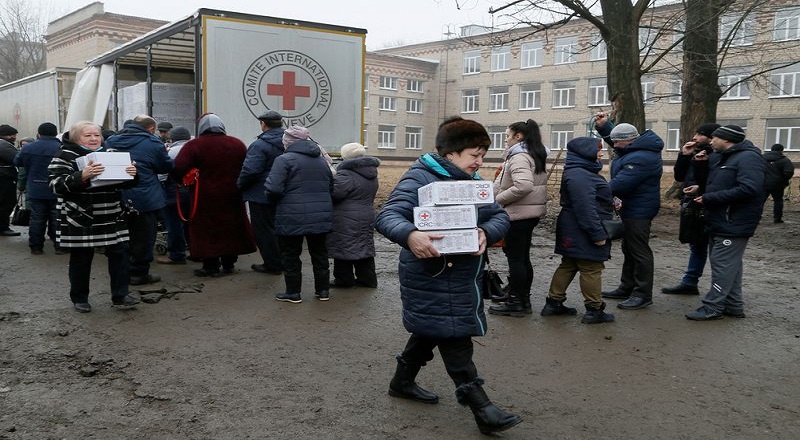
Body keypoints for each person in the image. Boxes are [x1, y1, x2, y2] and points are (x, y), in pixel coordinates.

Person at [375, 116, 520, 435]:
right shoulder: (420, 177)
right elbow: (388, 215)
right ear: (451, 154)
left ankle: (402, 382)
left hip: (463, 274)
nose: (480, 161)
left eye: (483, 153)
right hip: (431, 273)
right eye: (475, 154)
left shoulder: (473, 182)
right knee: (454, 335)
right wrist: (411, 235)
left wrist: (485, 231)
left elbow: (498, 216)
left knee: (431, 329)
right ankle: (482, 408)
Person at [47, 121, 141, 312]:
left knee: (120, 255)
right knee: (81, 258)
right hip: (81, 216)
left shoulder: (112, 154)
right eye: (87, 135)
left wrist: (132, 174)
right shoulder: (64, 155)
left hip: (112, 213)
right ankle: (79, 298)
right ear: (76, 137)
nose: (93, 139)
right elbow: (55, 186)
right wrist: (82, 176)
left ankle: (121, 296)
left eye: (96, 135)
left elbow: (126, 184)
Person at [685, 125, 767, 320]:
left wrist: (709, 198)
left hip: (733, 221)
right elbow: (716, 183)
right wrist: (701, 168)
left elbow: (749, 188)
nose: (711, 141)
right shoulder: (726, 157)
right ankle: (733, 305)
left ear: (727, 140)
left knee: (722, 265)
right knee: (731, 265)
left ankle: (712, 306)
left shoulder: (749, 158)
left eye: (715, 138)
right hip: (721, 219)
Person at [172, 113, 256, 277]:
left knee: (207, 229)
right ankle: (229, 263)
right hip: (233, 194)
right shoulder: (237, 144)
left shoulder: (195, 145)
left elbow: (178, 168)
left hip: (204, 196)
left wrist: (181, 180)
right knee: (231, 227)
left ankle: (210, 265)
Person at [594, 113, 663, 310]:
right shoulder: (635, 148)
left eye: (617, 143)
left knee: (639, 250)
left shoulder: (642, 158)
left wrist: (593, 189)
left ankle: (642, 294)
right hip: (631, 207)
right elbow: (616, 139)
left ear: (630, 141)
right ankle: (627, 286)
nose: (613, 146)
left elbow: (620, 184)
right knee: (629, 248)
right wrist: (605, 126)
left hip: (639, 210)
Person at [543, 137, 615, 324]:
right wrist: (597, 234)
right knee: (591, 267)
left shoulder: (579, 172)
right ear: (586, 152)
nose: (601, 152)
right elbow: (585, 207)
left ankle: (554, 302)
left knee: (569, 264)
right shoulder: (580, 175)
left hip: (573, 226)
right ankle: (594, 310)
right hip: (582, 228)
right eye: (598, 149)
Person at [265, 125, 333, 302]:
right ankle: (323, 291)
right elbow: (331, 186)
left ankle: (293, 293)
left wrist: (274, 202)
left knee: (290, 254)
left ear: (287, 142)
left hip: (291, 215)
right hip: (320, 215)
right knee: (319, 254)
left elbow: (273, 189)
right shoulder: (320, 160)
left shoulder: (284, 160)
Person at [488, 119, 548, 317]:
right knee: (521, 258)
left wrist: (499, 199)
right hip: (526, 213)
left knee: (516, 259)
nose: (505, 140)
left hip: (518, 214)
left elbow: (523, 186)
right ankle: (521, 298)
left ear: (518, 136)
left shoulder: (520, 156)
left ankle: (516, 302)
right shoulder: (532, 153)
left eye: (507, 135)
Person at [105, 115, 174, 286]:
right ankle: (138, 273)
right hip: (145, 196)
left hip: (117, 194)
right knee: (144, 236)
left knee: (121, 236)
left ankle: (122, 271)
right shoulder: (153, 143)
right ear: (151, 128)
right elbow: (165, 166)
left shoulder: (111, 141)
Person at [661, 123, 720, 295]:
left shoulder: (717, 155)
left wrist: (700, 189)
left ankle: (719, 288)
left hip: (709, 203)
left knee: (713, 248)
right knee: (697, 244)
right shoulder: (695, 153)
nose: (694, 137)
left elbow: (715, 181)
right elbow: (680, 176)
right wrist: (684, 155)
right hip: (692, 202)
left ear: (710, 137)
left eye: (700, 134)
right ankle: (690, 282)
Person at [237, 110, 285, 275]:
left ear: (263, 124)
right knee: (281, 229)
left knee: (264, 231)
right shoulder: (291, 142)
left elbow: (250, 170)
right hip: (285, 192)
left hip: (261, 194)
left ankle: (272, 264)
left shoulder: (260, 145)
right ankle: (283, 261)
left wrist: (240, 185)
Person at [327, 142, 380, 289]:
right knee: (364, 246)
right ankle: (368, 279)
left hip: (346, 217)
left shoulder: (346, 174)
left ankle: (344, 280)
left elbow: (335, 194)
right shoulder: (370, 172)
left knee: (344, 247)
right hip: (366, 214)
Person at [13, 123, 63, 254]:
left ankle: (36, 247)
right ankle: (59, 246)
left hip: (35, 188)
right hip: (56, 188)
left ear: (39, 133)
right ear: (55, 133)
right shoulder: (61, 148)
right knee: (57, 217)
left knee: (36, 219)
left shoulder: (28, 147)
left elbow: (17, 162)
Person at [156, 126, 193, 265]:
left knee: (173, 224)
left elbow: (162, 175)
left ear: (173, 138)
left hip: (175, 193)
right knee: (192, 223)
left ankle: (177, 255)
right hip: (193, 191)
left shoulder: (171, 152)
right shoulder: (195, 149)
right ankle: (196, 251)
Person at [763, 143, 795, 224]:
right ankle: (777, 219)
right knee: (778, 201)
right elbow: (789, 172)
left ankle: (756, 217)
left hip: (763, 183)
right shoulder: (784, 160)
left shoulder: (761, 158)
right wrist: (784, 180)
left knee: (759, 201)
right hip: (778, 185)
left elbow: (755, 169)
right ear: (782, 150)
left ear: (771, 149)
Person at [0, 124, 21, 236]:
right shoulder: (3, 145)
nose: (14, 137)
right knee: (7, 202)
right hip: (4, 177)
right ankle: (3, 227)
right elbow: (17, 159)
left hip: (3, 176)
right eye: (13, 135)